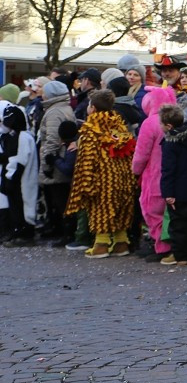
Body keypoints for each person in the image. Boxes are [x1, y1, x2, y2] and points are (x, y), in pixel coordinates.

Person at [65, 90, 137, 258]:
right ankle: (121, 243)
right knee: (120, 210)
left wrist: (85, 182)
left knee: (101, 210)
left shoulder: (91, 129)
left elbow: (87, 159)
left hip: (102, 179)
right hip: (122, 177)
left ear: (93, 108)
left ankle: (101, 244)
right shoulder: (119, 125)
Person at [132, 86, 177, 263]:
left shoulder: (150, 123)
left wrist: (135, 171)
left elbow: (141, 154)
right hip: (174, 175)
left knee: (154, 213)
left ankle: (163, 247)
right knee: (171, 213)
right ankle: (174, 246)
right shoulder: (179, 119)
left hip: (154, 176)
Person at [160, 97, 187, 266]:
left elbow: (168, 170)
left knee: (178, 223)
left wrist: (168, 193)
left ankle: (181, 255)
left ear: (169, 126)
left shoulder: (171, 142)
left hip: (177, 188)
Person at [37, 80, 75, 246]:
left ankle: (67, 233)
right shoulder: (64, 108)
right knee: (61, 199)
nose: (42, 94)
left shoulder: (54, 112)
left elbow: (51, 140)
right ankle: (64, 230)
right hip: (61, 158)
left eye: (44, 92)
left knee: (60, 200)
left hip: (56, 162)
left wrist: (47, 164)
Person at [1, 105, 39, 246]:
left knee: (23, 205)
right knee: (16, 206)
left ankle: (25, 234)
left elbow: (20, 160)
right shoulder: (15, 136)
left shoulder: (23, 137)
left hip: (21, 180)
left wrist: (11, 178)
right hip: (16, 179)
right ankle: (19, 231)